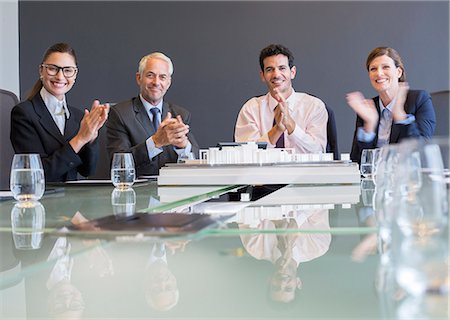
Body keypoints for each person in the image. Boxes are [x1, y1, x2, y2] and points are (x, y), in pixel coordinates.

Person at [10, 43, 109, 182]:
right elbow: (38, 175)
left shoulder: (78, 116)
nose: (60, 76)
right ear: (41, 71)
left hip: (72, 200)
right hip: (40, 200)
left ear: (75, 75)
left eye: (68, 70)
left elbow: (88, 170)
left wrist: (91, 136)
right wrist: (80, 139)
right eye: (52, 69)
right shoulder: (24, 113)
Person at [106, 52, 198, 176]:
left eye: (162, 77)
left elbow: (197, 160)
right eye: (150, 75)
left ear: (168, 83)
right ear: (139, 78)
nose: (156, 82)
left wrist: (183, 147)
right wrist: (155, 142)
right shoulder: (120, 114)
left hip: (173, 191)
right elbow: (119, 163)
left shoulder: (180, 114)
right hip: (137, 191)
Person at [348, 46, 436, 164]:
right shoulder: (369, 107)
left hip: (407, 179)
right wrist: (369, 125)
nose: (379, 73)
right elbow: (357, 161)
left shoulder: (419, 99)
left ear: (398, 72)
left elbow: (420, 151)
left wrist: (400, 116)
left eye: (385, 67)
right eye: (373, 69)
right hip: (376, 179)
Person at [234, 44, 328, 154]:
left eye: (282, 68)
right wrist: (277, 130)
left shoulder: (314, 106)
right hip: (263, 171)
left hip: (303, 171)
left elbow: (318, 151)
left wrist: (291, 126)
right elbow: (245, 155)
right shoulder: (250, 109)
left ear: (292, 72)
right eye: (270, 69)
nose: (276, 74)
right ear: (262, 76)